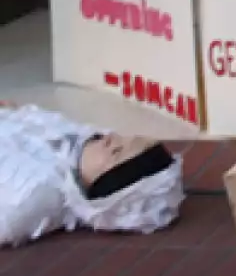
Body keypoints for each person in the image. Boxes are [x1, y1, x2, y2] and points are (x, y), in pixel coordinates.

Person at [0, 102, 184, 248]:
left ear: (106, 194)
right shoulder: (83, 143)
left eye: (116, 153)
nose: (112, 138)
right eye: (125, 139)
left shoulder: (37, 198)